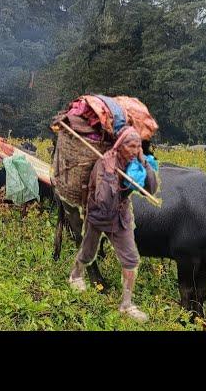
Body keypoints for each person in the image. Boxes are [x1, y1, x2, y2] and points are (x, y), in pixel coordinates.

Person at [68, 126, 158, 322]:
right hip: (99, 216)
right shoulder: (104, 163)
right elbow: (104, 201)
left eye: (137, 146)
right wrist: (109, 173)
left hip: (121, 218)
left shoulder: (134, 164)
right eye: (130, 146)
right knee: (88, 252)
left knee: (131, 259)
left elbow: (150, 190)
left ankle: (126, 304)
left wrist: (145, 164)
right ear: (120, 146)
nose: (134, 150)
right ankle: (76, 275)